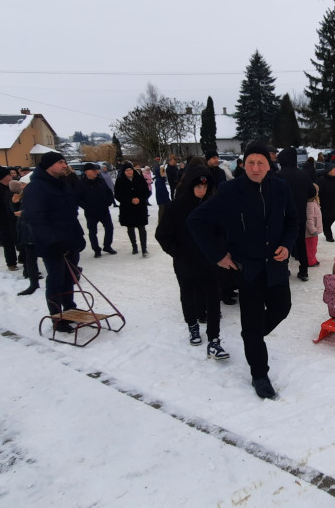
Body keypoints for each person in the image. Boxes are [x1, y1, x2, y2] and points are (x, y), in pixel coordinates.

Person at [188, 142, 299, 400]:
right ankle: (259, 374)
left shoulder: (281, 187)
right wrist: (217, 255)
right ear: (243, 164)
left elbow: (293, 221)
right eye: (250, 162)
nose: (255, 168)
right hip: (248, 269)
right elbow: (196, 220)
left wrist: (286, 244)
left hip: (276, 265)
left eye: (261, 163)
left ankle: (252, 335)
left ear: (269, 165)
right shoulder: (230, 190)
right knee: (252, 322)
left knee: (282, 308)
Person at [155, 168, 229, 359]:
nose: (202, 190)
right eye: (198, 186)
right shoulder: (176, 207)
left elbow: (222, 231)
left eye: (205, 187)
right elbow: (162, 235)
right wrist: (179, 253)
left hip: (209, 262)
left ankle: (214, 339)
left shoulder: (213, 206)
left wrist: (219, 250)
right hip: (185, 262)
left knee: (213, 299)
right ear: (190, 186)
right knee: (188, 296)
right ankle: (193, 326)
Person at [22, 151, 87, 331]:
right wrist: (52, 243)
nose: (65, 166)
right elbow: (36, 218)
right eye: (60, 163)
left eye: (64, 162)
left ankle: (70, 308)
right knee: (56, 280)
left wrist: (79, 236)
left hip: (70, 240)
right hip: (53, 244)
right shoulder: (36, 188)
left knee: (69, 278)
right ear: (49, 166)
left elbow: (71, 214)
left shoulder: (61, 184)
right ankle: (57, 317)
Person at [277, 147, 311, 282]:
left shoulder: (277, 175)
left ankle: (284, 269)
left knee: (283, 243)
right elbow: (312, 192)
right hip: (300, 215)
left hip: (282, 216)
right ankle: (304, 271)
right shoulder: (303, 175)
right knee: (301, 243)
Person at [76, 162, 117, 258]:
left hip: (103, 210)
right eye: (93, 170)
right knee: (92, 231)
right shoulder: (80, 183)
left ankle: (107, 246)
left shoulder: (100, 181)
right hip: (91, 212)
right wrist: (86, 206)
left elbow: (109, 192)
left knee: (109, 228)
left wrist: (109, 201)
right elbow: (77, 198)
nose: (96, 172)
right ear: (86, 172)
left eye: (96, 170)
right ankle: (96, 249)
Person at [9, 180, 40, 295]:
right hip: (26, 231)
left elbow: (39, 211)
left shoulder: (37, 193)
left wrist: (23, 214)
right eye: (21, 184)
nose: (21, 186)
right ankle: (33, 283)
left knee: (49, 258)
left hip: (38, 231)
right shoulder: (22, 195)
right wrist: (14, 203)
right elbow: (15, 211)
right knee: (30, 258)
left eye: (24, 183)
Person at [114, 162, 151, 256]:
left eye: (130, 170)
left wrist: (140, 199)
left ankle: (144, 249)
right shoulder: (120, 181)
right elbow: (117, 195)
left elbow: (146, 192)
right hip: (127, 208)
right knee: (130, 228)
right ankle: (134, 246)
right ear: (124, 172)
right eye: (127, 170)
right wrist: (129, 200)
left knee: (141, 228)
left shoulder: (140, 179)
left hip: (140, 207)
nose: (129, 172)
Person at [316, 163, 335, 243]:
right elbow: (317, 193)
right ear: (329, 171)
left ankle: (326, 230)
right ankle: (329, 236)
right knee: (326, 221)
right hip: (326, 205)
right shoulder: (321, 180)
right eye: (334, 170)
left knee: (331, 219)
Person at [305, 184, 323, 267]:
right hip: (311, 232)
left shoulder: (314, 202)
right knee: (310, 248)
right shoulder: (310, 204)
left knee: (313, 247)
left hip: (314, 230)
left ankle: (313, 259)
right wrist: (313, 230)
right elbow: (309, 219)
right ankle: (310, 261)